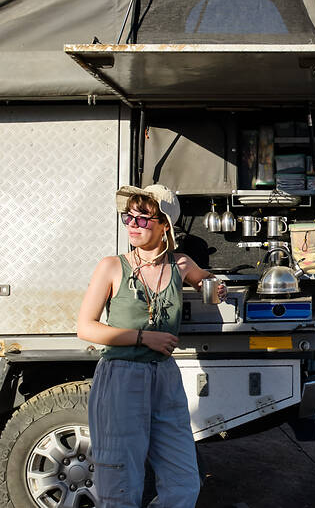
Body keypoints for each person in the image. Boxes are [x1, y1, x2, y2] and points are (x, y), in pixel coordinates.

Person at [77, 184, 226, 507]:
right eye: (127, 218)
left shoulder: (181, 264)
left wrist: (213, 285)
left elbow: (205, 279)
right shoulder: (112, 266)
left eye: (143, 218)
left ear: (164, 225)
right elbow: (85, 327)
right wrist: (144, 337)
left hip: (164, 377)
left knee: (184, 483)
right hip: (121, 376)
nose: (132, 225)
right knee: (119, 484)